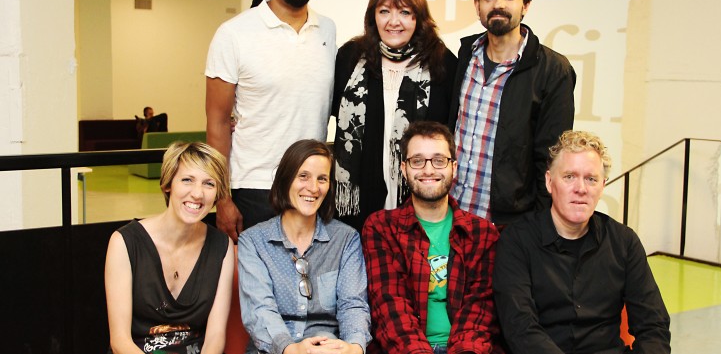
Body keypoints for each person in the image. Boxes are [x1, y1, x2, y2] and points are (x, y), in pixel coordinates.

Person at [205, 0, 336, 242]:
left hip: (311, 187)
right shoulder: (234, 33)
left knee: (307, 287)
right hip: (254, 188)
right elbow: (218, 123)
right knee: (255, 289)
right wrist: (222, 198)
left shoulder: (327, 30)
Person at [493, 130, 671, 353]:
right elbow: (520, 328)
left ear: (602, 186)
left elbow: (653, 325)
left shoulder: (624, 242)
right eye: (569, 177)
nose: (581, 188)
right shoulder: (516, 241)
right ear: (549, 182)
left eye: (591, 179)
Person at [448, 0, 576, 225]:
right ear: (477, 5)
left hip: (508, 228)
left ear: (525, 5)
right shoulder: (463, 58)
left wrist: (538, 230)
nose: (498, 5)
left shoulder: (553, 71)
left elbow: (552, 160)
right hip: (451, 217)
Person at [362, 121, 504, 354]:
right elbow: (391, 309)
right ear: (403, 168)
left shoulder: (483, 234)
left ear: (454, 168)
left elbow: (479, 314)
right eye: (417, 161)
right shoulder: (381, 228)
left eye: (439, 160)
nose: (428, 170)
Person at [333, 0, 457, 231]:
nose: (393, 22)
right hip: (360, 203)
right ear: (373, 16)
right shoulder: (351, 57)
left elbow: (449, 130)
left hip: (420, 199)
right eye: (384, 11)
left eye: (404, 12)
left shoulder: (442, 63)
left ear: (418, 17)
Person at [238, 139, 371, 354]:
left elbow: (352, 305)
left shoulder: (346, 239)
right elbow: (260, 310)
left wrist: (353, 348)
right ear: (285, 179)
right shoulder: (253, 241)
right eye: (303, 176)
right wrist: (292, 349)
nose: (313, 188)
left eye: (322, 179)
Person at [104, 142, 234, 354]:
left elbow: (215, 339)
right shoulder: (124, 242)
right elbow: (120, 342)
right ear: (168, 184)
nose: (198, 194)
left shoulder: (222, 247)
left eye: (209, 184)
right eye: (187, 180)